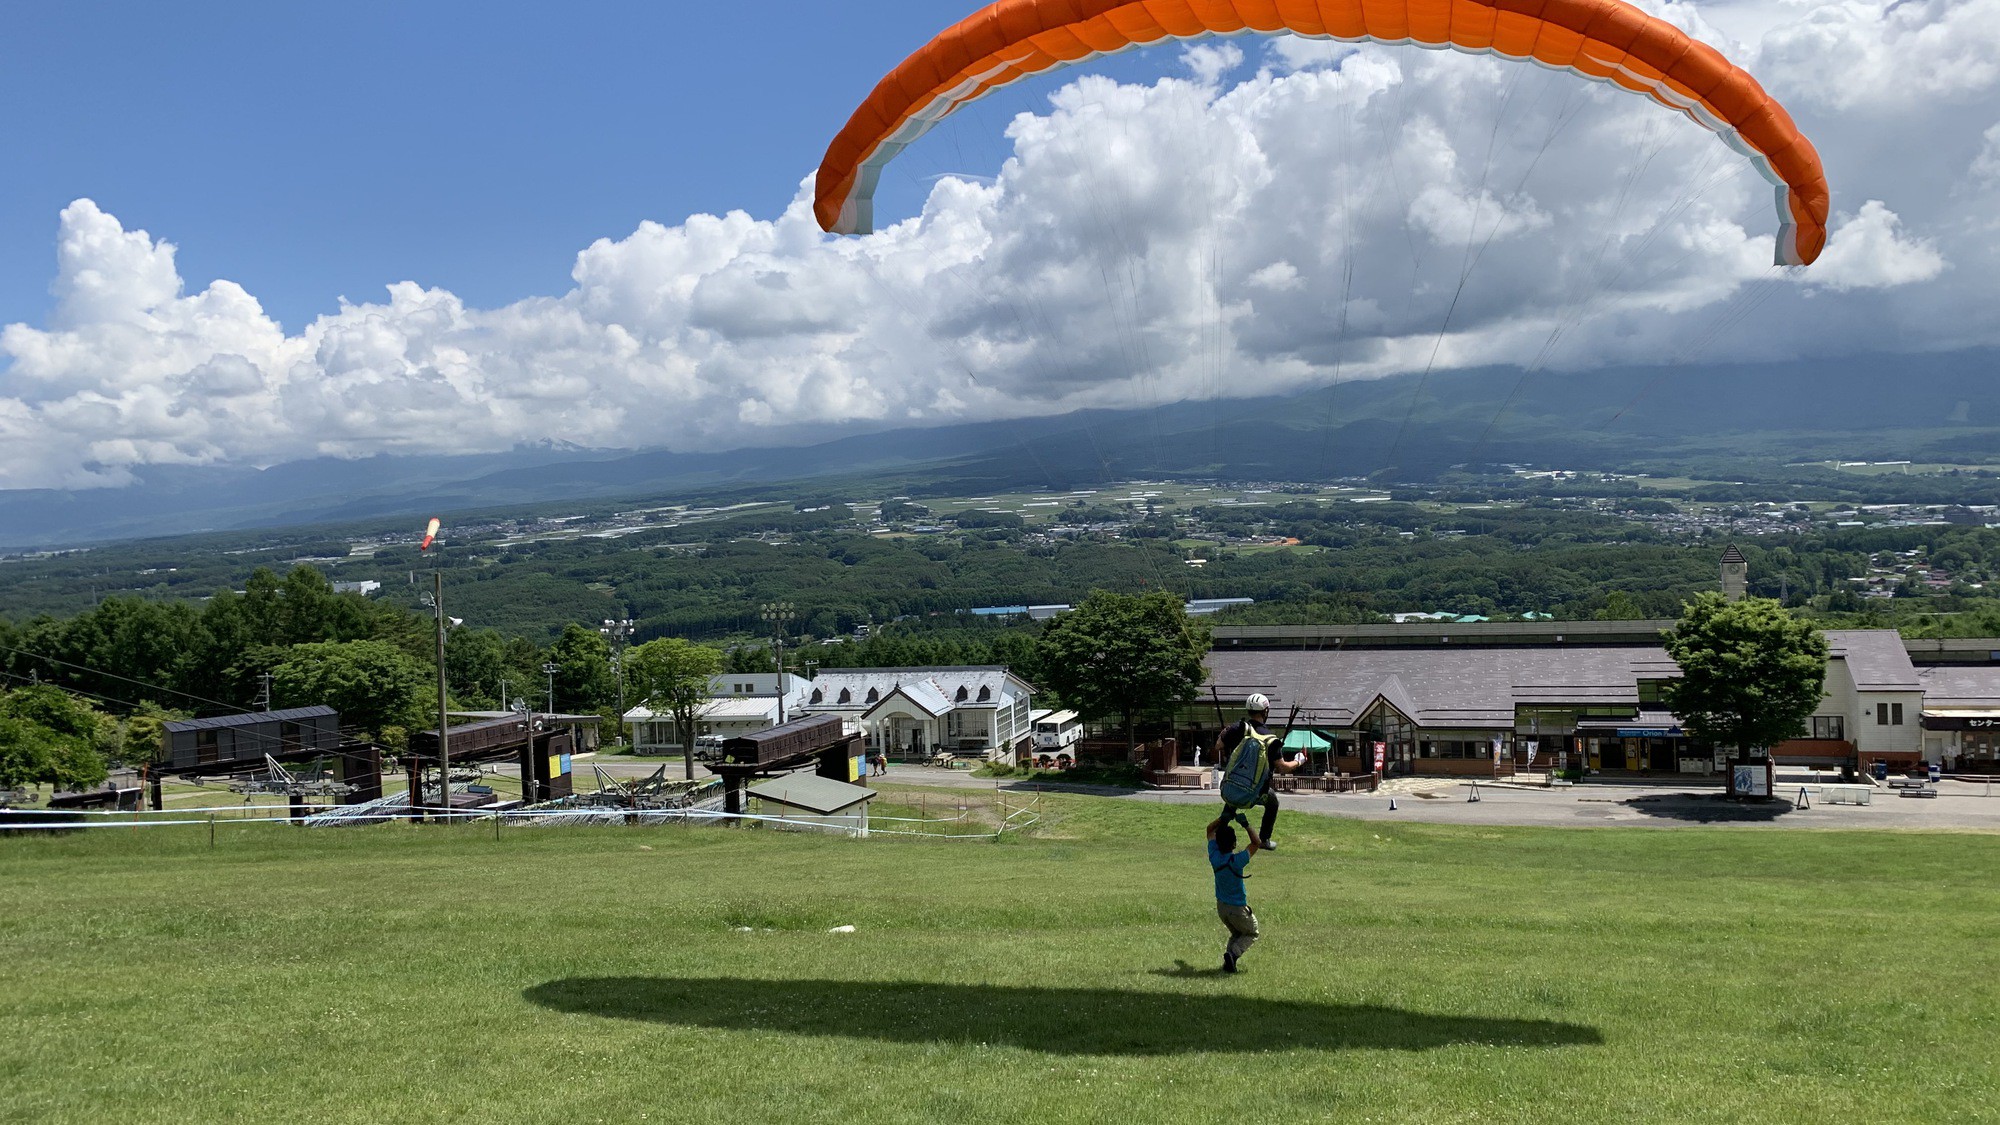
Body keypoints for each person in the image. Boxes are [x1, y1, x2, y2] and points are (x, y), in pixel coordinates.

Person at [1213, 693, 1301, 850]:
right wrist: (1299, 760)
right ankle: (1264, 840)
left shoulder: (1238, 728)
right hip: (1256, 794)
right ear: (1265, 711)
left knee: (1233, 801)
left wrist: (1226, 731)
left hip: (1229, 788)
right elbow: (1283, 767)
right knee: (1273, 803)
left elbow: (1218, 746)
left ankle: (1219, 830)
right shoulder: (1271, 739)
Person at [1206, 815, 1260, 973]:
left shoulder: (1214, 857)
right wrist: (1246, 824)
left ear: (1217, 843)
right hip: (1237, 909)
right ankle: (1233, 954)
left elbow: (1209, 830)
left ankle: (1228, 963)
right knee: (1251, 932)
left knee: (1237, 933)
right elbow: (1256, 843)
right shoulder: (1237, 861)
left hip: (1222, 908)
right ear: (1234, 844)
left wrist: (1223, 818)